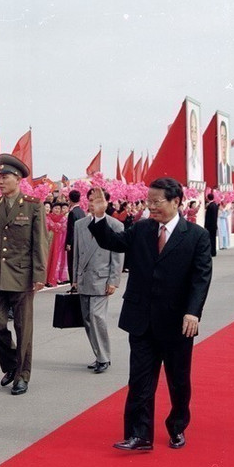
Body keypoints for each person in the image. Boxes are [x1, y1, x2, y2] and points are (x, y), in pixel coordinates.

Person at [88, 177, 212, 451]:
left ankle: (177, 426)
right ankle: (140, 435)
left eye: (156, 202)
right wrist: (99, 216)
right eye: (148, 201)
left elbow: (201, 278)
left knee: (178, 382)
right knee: (140, 380)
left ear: (176, 202)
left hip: (178, 323)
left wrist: (193, 313)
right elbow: (114, 242)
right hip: (141, 319)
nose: (151, 207)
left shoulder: (197, 236)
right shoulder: (142, 229)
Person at [0, 153, 48, 396]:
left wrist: (39, 275)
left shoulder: (32, 205)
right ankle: (10, 363)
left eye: (5, 177)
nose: (0, 181)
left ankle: (22, 375)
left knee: (23, 328)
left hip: (22, 275)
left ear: (17, 179)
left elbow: (40, 242)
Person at [72, 188, 124, 374]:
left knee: (96, 316)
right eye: (91, 200)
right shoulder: (80, 224)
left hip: (102, 278)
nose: (93, 204)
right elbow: (77, 254)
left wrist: (113, 280)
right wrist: (75, 278)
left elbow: (117, 255)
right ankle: (98, 354)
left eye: (97, 200)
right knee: (87, 319)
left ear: (105, 203)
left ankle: (104, 357)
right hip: (84, 278)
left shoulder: (115, 225)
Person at [65, 190, 85, 283]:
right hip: (81, 241)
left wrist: (69, 243)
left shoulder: (72, 213)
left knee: (72, 263)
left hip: (73, 242)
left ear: (70, 199)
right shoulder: (82, 212)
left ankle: (73, 283)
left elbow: (71, 229)